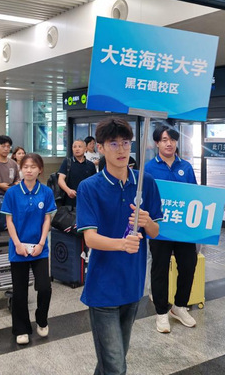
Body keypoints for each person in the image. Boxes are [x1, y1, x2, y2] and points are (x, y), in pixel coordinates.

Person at [76, 117, 162, 374]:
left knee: (113, 359)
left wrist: (146, 222)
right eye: (114, 144)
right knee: (115, 365)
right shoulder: (89, 187)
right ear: (100, 148)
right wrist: (123, 244)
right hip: (103, 287)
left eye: (126, 143)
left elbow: (156, 232)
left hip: (133, 284)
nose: (122, 149)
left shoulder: (146, 182)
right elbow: (90, 238)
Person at [145, 126, 199, 333]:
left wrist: (218, 204)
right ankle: (161, 312)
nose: (169, 144)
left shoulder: (186, 167)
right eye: (165, 140)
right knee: (160, 268)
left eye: (173, 140)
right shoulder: (149, 168)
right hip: (159, 228)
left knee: (189, 264)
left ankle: (179, 306)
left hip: (183, 228)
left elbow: (196, 195)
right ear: (157, 143)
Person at [1, 153, 56, 345]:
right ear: (20, 169)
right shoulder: (12, 193)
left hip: (40, 248)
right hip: (18, 248)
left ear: (40, 169)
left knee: (45, 287)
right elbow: (9, 221)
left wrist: (41, 243)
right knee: (20, 291)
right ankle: (21, 329)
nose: (29, 170)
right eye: (25, 167)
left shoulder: (46, 192)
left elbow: (47, 219)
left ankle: (41, 319)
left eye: (33, 167)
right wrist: (17, 244)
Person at [57, 140, 96, 208]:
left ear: (85, 149)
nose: (77, 149)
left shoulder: (91, 165)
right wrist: (68, 190)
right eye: (74, 147)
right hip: (70, 202)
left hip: (86, 201)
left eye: (79, 147)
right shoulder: (67, 162)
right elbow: (60, 180)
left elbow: (94, 183)